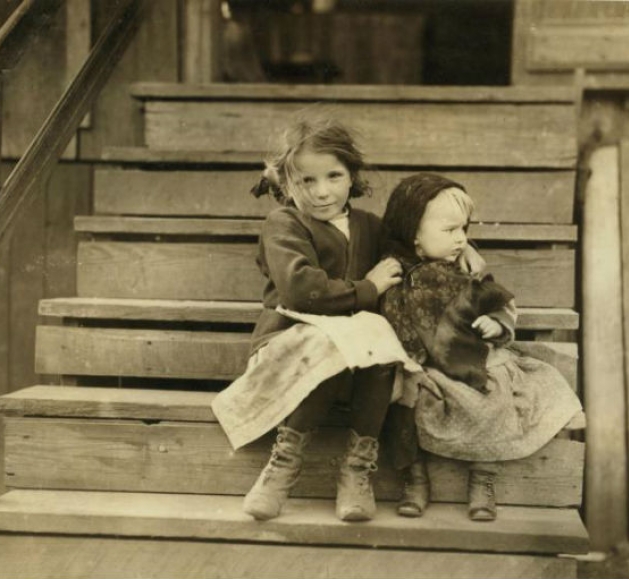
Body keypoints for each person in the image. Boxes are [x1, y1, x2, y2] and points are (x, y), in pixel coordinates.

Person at [212, 115, 408, 523]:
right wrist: (367, 289)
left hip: (357, 359)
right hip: (290, 347)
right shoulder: (284, 224)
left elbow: (410, 256)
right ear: (286, 184)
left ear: (353, 175)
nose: (322, 193)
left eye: (334, 176)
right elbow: (302, 291)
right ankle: (283, 464)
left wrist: (466, 251)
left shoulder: (370, 226)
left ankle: (356, 469)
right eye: (307, 181)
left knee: (380, 346)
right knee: (337, 341)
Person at [379, 173, 583, 522]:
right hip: (422, 366)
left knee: (494, 394)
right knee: (400, 399)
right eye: (449, 231)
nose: (460, 239)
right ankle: (414, 478)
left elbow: (497, 302)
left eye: (465, 230)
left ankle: (483, 477)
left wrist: (497, 323)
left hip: (472, 362)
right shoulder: (395, 273)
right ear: (413, 233)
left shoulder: (465, 272)